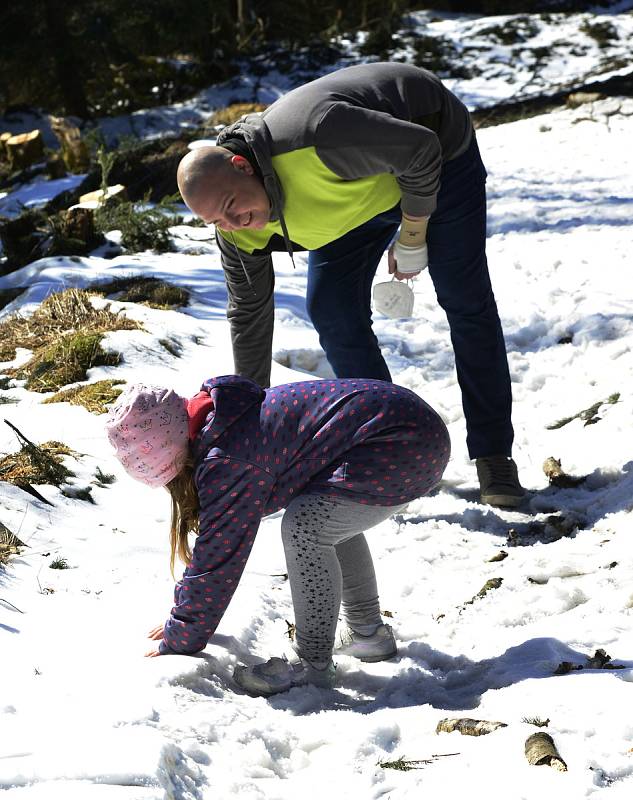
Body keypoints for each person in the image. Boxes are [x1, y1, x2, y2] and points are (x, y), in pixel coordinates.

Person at [176, 62, 524, 508]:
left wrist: (414, 231)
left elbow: (421, 149)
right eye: (215, 221)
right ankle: (394, 444)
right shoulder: (235, 228)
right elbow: (249, 314)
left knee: (463, 297)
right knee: (332, 310)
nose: (232, 224)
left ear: (243, 167)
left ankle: (494, 454)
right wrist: (248, 426)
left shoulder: (316, 137)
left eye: (230, 206)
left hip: (435, 154)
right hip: (358, 195)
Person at [105, 375, 450, 696]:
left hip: (401, 442)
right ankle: (367, 633)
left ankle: (311, 661)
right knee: (325, 514)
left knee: (306, 528)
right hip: (410, 429)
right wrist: (184, 618)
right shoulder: (224, 417)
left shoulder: (228, 458)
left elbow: (219, 557)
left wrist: (183, 633)